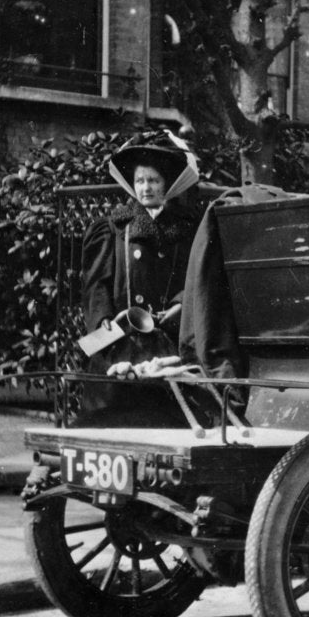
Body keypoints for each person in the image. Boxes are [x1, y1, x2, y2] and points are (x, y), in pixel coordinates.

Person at [76, 130, 203, 425]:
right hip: (121, 340)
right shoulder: (115, 228)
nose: (146, 188)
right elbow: (96, 286)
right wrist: (103, 321)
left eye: (154, 181)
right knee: (112, 419)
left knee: (166, 419)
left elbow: (196, 278)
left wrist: (180, 304)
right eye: (140, 181)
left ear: (167, 184)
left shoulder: (186, 230)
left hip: (165, 342)